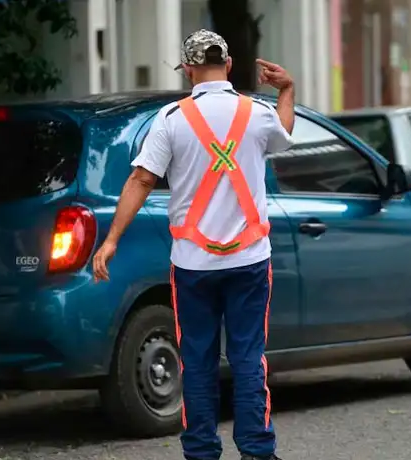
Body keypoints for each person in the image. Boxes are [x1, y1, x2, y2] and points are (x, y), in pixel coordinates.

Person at [92, 29, 295, 460]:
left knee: (198, 362)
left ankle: (202, 452)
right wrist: (287, 91)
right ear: (229, 64)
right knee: (247, 357)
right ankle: (258, 451)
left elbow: (142, 179)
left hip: (193, 266)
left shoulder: (170, 120)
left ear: (187, 70)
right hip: (250, 261)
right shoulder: (255, 113)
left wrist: (110, 241)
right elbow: (283, 133)